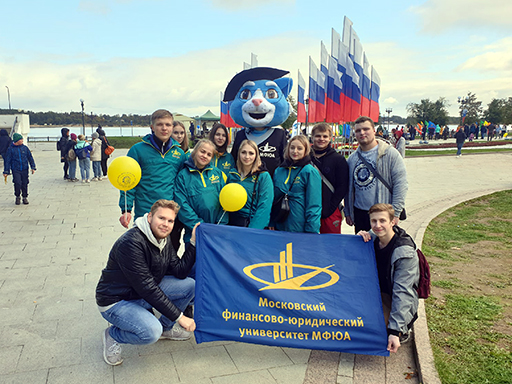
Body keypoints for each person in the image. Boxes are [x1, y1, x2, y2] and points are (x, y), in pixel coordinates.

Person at [96, 199, 198, 366]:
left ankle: (166, 328)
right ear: (150, 217)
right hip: (117, 301)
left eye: (170, 221)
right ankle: (112, 335)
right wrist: (181, 317)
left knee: (190, 286)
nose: (166, 224)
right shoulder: (131, 243)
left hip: (142, 292)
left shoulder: (163, 239)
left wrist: (192, 243)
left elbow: (179, 271)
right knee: (150, 332)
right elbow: (148, 289)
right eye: (161, 218)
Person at [119, 109, 186, 255]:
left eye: (168, 125)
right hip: (145, 212)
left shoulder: (179, 154)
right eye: (160, 124)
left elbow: (183, 183)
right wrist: (126, 209)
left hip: (169, 215)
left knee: (169, 253)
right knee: (143, 253)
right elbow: (128, 182)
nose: (164, 128)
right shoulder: (137, 150)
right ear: (152, 127)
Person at [357, 203, 419, 353]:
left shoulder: (404, 253)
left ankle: (402, 329)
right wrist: (356, 241)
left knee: (375, 330)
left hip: (394, 298)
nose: (377, 225)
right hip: (376, 295)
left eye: (382, 221)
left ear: (393, 222)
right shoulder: (371, 239)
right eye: (374, 221)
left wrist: (394, 331)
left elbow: (403, 292)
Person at [344, 116, 408, 233]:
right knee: (363, 249)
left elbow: (401, 184)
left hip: (383, 214)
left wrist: (396, 212)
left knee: (383, 249)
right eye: (358, 130)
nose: (362, 133)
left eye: (366, 129)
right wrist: (348, 212)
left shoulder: (390, 154)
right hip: (361, 214)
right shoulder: (352, 159)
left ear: (374, 130)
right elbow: (348, 188)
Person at [174, 139, 228, 244]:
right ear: (195, 151)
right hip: (194, 232)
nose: (204, 156)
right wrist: (199, 225)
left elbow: (225, 200)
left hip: (216, 231)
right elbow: (182, 205)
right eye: (202, 151)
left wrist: (221, 225)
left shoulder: (217, 174)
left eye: (209, 154)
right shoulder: (183, 176)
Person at [270, 135, 321, 233]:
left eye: (299, 148)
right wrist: (271, 222)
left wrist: (312, 230)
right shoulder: (279, 171)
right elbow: (274, 199)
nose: (295, 151)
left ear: (306, 150)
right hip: (280, 225)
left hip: (299, 226)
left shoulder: (310, 172)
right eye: (292, 147)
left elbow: (314, 204)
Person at [310, 123, 349, 234]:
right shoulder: (305, 157)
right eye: (318, 136)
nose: (321, 139)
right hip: (308, 210)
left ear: (331, 138)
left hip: (330, 211)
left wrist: (329, 209)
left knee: (330, 246)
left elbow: (342, 186)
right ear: (312, 137)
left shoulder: (338, 159)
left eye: (325, 136)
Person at [228, 139, 274, 229]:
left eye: (251, 153)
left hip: (252, 224)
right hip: (232, 224)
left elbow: (264, 207)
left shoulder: (263, 176)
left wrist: (253, 230)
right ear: (239, 154)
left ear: (256, 155)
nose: (247, 156)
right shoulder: (232, 174)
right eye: (243, 152)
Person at [3, 133, 36, 205]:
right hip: (15, 169)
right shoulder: (10, 149)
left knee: (25, 183)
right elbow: (7, 161)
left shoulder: (25, 148)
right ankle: (17, 196)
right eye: (21, 139)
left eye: (22, 139)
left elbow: (30, 158)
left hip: (24, 168)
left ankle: (25, 197)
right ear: (16, 140)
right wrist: (6, 171)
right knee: (17, 183)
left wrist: (33, 167)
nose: (22, 140)